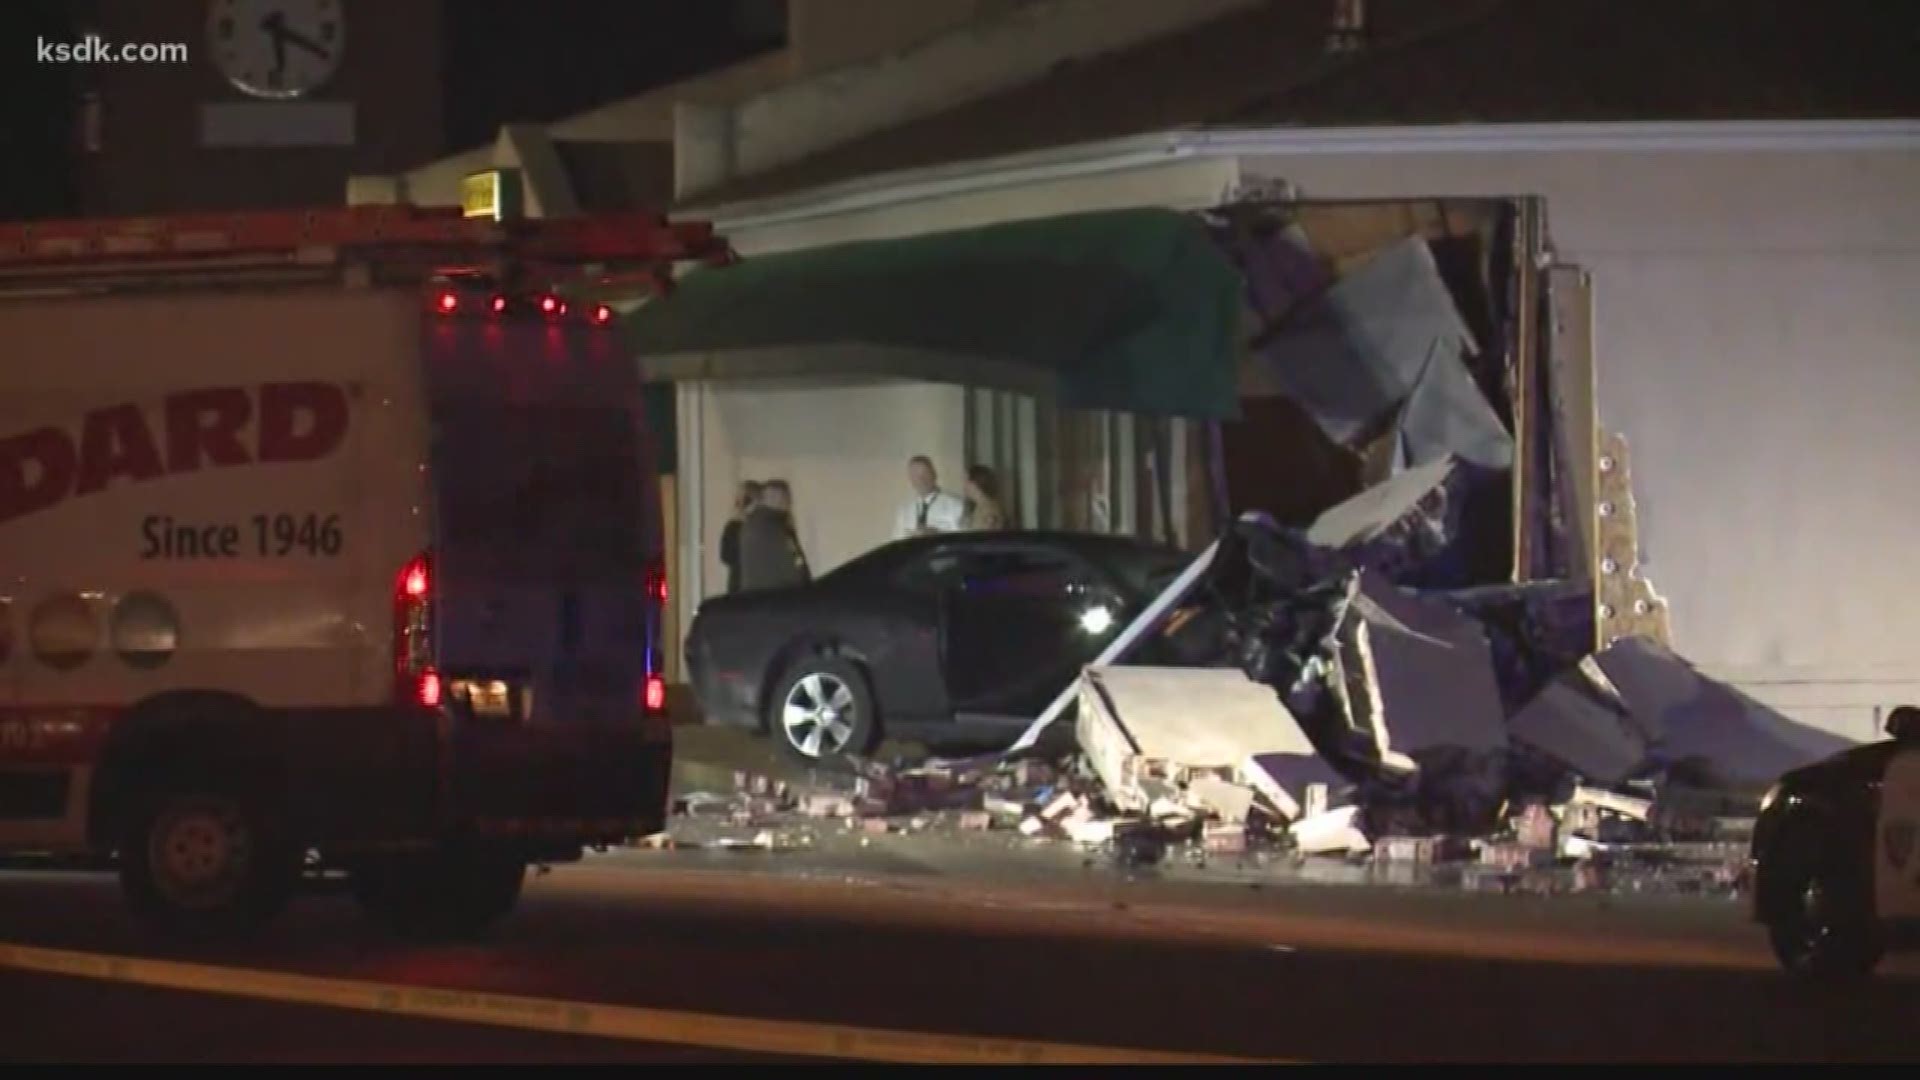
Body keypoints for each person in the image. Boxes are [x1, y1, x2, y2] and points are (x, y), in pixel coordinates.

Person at [739, 478, 810, 591]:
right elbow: (795, 565)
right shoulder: (778, 528)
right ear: (780, 498)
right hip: (779, 596)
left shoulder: (750, 524)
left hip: (754, 596)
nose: (789, 504)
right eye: (787, 499)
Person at [892, 455, 967, 540]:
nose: (921, 480)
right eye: (916, 476)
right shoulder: (905, 511)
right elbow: (897, 541)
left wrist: (938, 533)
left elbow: (962, 538)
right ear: (910, 479)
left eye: (925, 474)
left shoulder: (955, 505)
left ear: (934, 474)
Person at [718, 480, 763, 594]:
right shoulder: (733, 527)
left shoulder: (764, 526)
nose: (737, 503)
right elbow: (726, 556)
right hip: (738, 585)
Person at [962, 464, 1008, 530]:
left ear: (975, 483)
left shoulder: (989, 509)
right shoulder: (981, 506)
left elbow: (986, 537)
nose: (964, 485)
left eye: (967, 481)